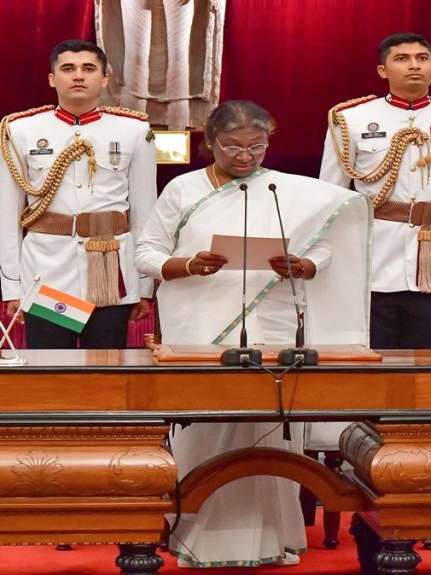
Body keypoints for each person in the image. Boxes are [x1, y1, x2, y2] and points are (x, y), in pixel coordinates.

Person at [134, 100, 371, 568]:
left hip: (272, 321)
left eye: (256, 147)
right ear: (210, 143)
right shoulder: (183, 189)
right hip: (199, 322)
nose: (245, 157)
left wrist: (304, 265)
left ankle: (270, 538)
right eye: (233, 147)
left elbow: (321, 247)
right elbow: (146, 251)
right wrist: (186, 264)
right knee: (208, 425)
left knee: (266, 427)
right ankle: (196, 538)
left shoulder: (286, 191)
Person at [320, 32, 431, 350]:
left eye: (422, 59)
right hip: (373, 262)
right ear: (383, 70)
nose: (414, 65)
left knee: (430, 366)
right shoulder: (350, 119)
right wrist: (332, 266)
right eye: (402, 58)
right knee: (373, 363)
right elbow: (330, 200)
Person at [0, 39, 156, 348]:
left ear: (104, 78)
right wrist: (12, 287)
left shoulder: (134, 130)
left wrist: (143, 286)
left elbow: (144, 212)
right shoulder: (21, 130)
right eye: (68, 69)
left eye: (88, 68)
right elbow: (7, 216)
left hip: (110, 271)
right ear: (51, 78)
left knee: (106, 369)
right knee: (52, 370)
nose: (78, 76)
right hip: (47, 273)